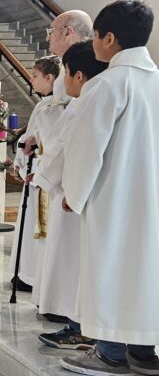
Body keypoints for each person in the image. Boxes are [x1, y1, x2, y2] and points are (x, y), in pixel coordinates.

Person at [59, 0, 159, 376]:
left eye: (97, 35)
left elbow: (87, 149)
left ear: (109, 39)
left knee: (110, 266)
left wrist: (73, 194)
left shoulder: (106, 85)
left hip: (113, 198)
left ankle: (110, 354)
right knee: (145, 271)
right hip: (151, 200)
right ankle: (144, 352)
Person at [33, 42, 107, 351]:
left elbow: (63, 147)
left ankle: (79, 328)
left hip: (75, 195)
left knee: (74, 263)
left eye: (65, 72)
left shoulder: (84, 103)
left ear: (78, 75)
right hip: (102, 195)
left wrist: (43, 177)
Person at [8, 56, 60, 294]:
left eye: (35, 76)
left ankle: (30, 275)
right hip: (36, 172)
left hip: (42, 175)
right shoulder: (45, 105)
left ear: (50, 78)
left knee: (37, 228)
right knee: (29, 226)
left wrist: (28, 161)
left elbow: (46, 143)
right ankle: (26, 273)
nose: (31, 79)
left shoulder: (53, 106)